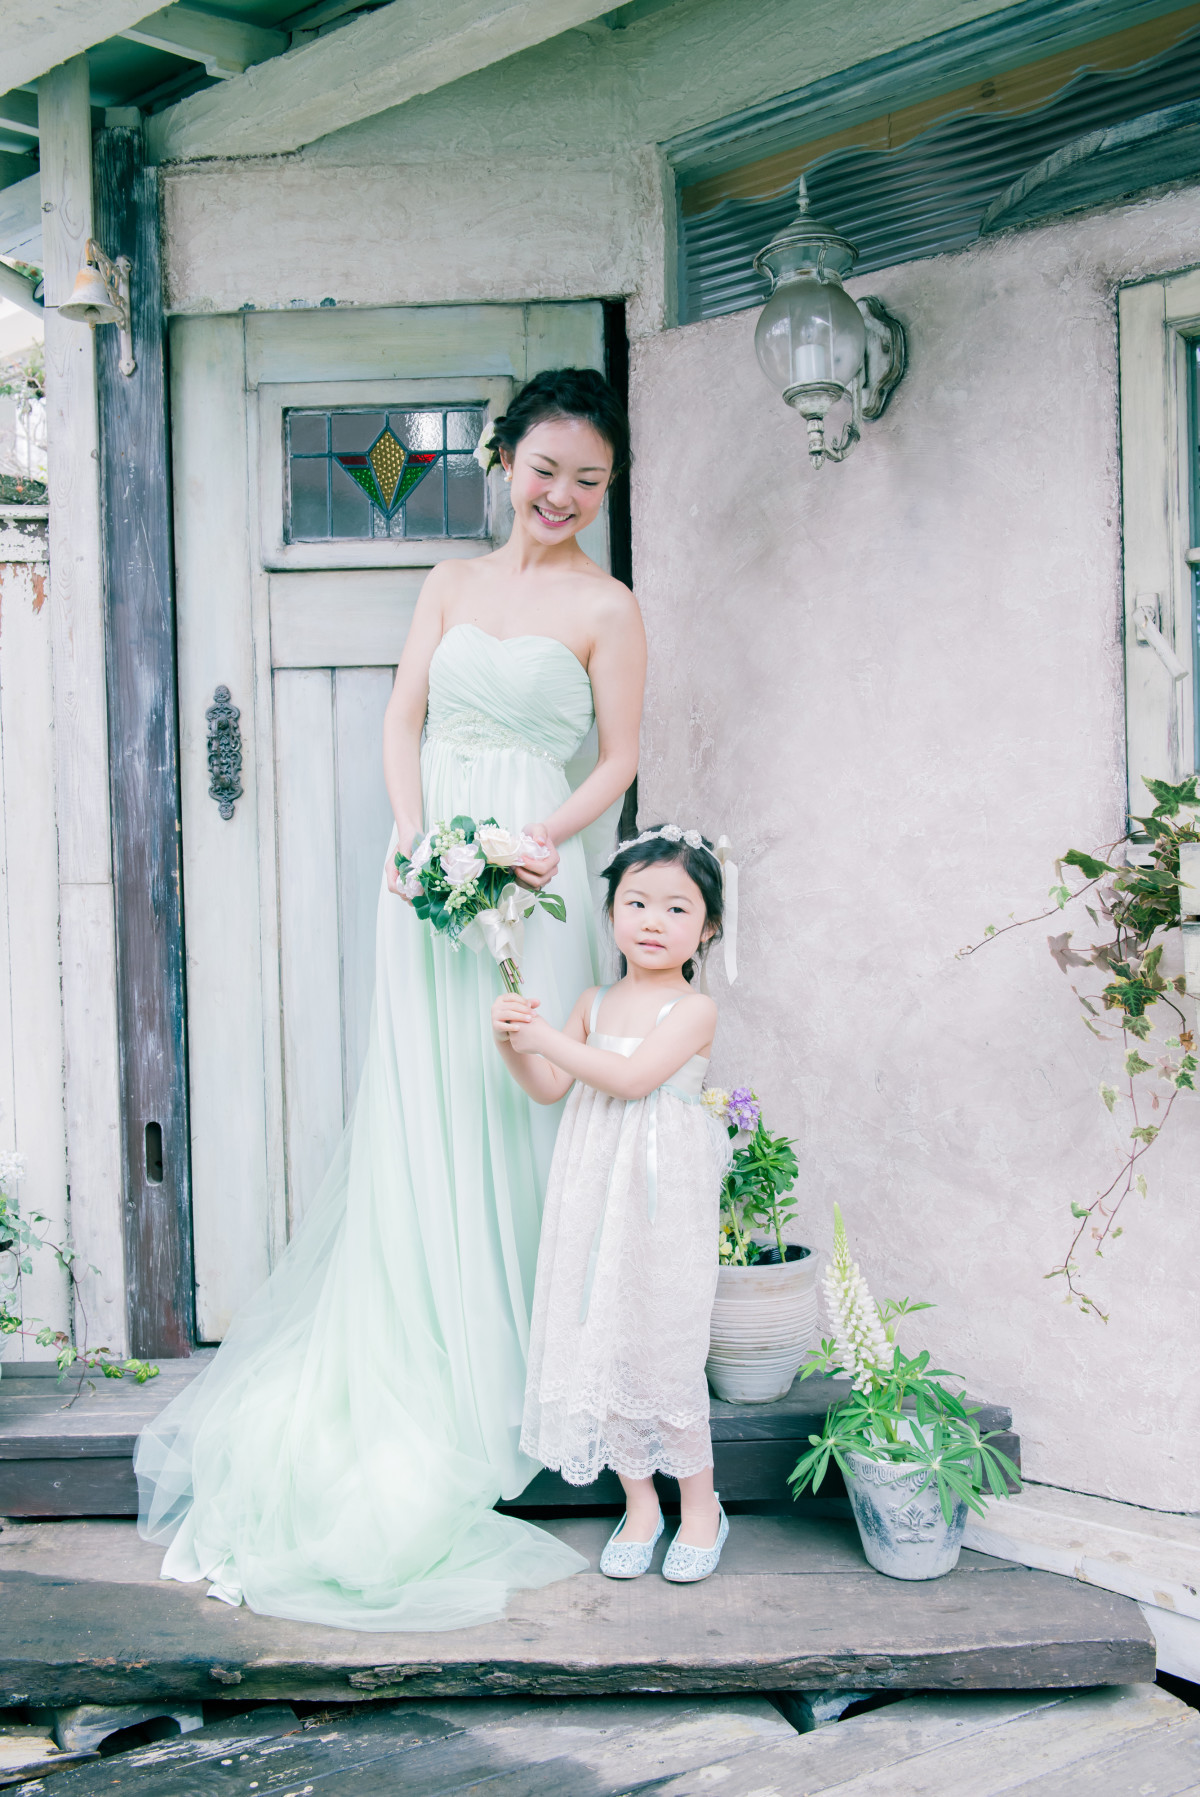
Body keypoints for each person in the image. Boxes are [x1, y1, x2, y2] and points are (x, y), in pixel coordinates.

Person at [135, 369, 646, 1631]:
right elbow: (403, 714)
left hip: (535, 879)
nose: (562, 496)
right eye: (545, 470)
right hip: (426, 886)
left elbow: (621, 757)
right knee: (430, 1101)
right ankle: (437, 1356)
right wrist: (416, 840)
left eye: (589, 480)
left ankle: (540, 1374)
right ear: (504, 459)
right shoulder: (450, 584)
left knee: (525, 1093)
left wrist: (539, 838)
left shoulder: (610, 605)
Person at [491, 826, 731, 1584]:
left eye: (676, 908)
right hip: (595, 1192)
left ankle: (700, 1507)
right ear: (612, 913)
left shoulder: (694, 1009)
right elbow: (550, 1086)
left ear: (709, 927)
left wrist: (545, 1038)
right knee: (609, 1339)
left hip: (663, 1198)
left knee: (664, 1339)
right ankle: (640, 1505)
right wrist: (512, 1041)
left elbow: (629, 1082)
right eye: (636, 902)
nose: (653, 921)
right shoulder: (593, 1002)